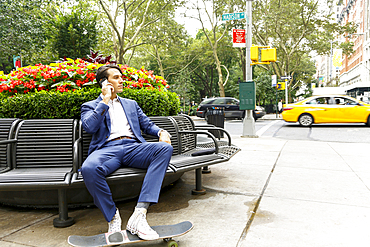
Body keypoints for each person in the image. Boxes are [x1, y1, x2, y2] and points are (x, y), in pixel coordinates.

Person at [80, 64, 173, 240]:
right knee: (89, 169)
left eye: (121, 77)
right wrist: (105, 101)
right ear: (104, 82)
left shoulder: (131, 104)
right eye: (116, 77)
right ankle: (113, 217)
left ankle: (139, 215)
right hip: (107, 150)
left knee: (164, 149)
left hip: (133, 147)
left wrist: (161, 132)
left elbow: (147, 125)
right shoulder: (90, 105)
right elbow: (90, 127)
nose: (121, 80)